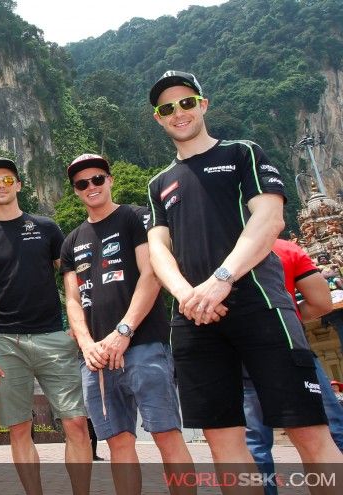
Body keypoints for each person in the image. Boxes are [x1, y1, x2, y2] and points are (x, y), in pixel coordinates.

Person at [145, 70, 343, 485]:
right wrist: (186, 294)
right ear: (158, 119)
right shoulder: (158, 183)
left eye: (186, 102)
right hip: (194, 318)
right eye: (167, 108)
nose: (178, 112)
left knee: (309, 431)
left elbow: (269, 218)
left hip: (260, 306)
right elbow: (158, 248)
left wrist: (222, 278)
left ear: (203, 104)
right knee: (223, 443)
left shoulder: (242, 153)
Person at [60, 153, 195, 494]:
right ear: (75, 190)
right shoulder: (71, 241)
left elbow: (152, 274)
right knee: (118, 442)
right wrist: (87, 345)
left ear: (110, 180)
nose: (91, 187)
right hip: (96, 358)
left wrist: (124, 331)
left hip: (143, 345)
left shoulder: (137, 217)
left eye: (97, 179)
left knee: (166, 433)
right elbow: (72, 299)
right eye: (82, 183)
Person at [0, 157, 92, 495]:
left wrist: (79, 324)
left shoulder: (47, 227)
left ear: (19, 185)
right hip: (6, 341)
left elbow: (70, 275)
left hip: (54, 335)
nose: (2, 185)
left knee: (76, 422)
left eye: (8, 179)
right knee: (19, 428)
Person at [244, 238, 343, 495]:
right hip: (291, 347)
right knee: (328, 433)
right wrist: (290, 315)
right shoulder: (283, 248)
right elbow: (322, 302)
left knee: (253, 444)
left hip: (239, 355)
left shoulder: (209, 249)